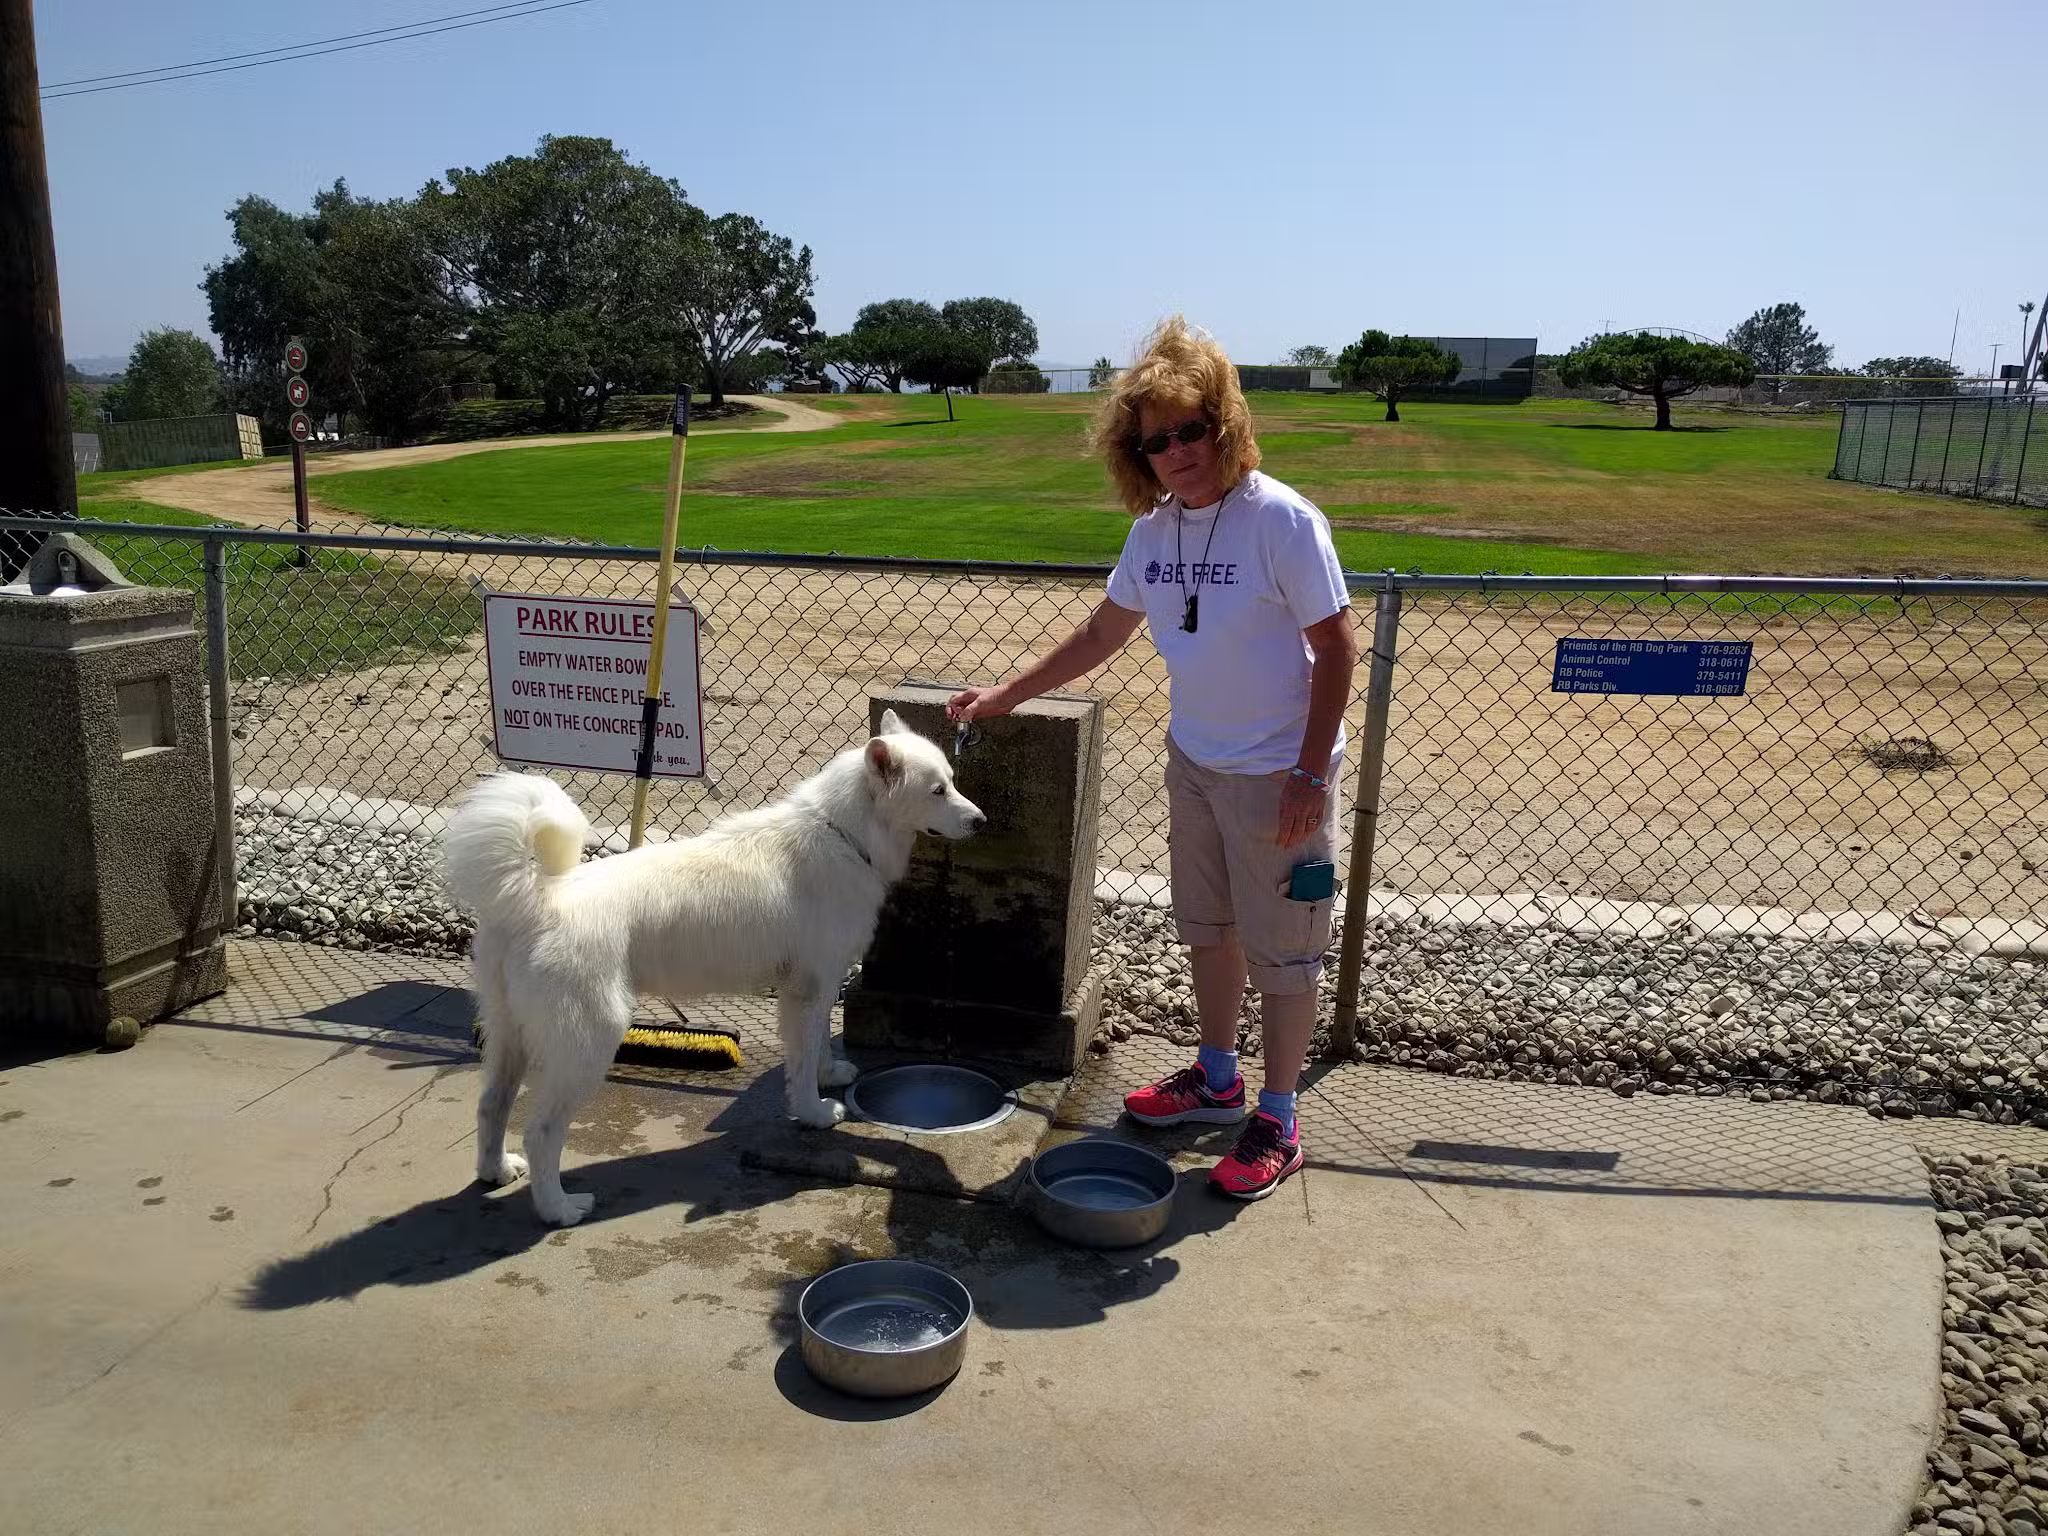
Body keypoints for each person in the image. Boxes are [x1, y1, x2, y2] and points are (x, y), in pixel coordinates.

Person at [948, 317, 1358, 1200]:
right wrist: (1003, 696)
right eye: (1157, 440)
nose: (1178, 452)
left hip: (1280, 777)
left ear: (1225, 422)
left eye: (1191, 429)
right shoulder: (1152, 536)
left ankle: (1279, 1119)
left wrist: (1311, 773)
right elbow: (1102, 631)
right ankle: (1218, 1079)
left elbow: (1338, 648)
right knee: (1209, 933)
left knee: (1286, 952)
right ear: (1138, 454)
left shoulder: (1282, 520)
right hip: (1196, 764)